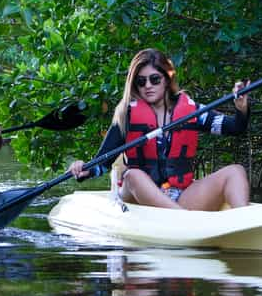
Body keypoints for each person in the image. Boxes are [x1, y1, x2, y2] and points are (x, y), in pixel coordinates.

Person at [67, 48, 250, 211]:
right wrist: (84, 169)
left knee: (235, 171)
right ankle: (183, 219)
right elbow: (102, 162)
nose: (148, 86)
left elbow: (236, 128)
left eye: (154, 79)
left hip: (179, 195)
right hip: (139, 198)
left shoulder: (191, 110)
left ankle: (244, 226)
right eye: (141, 81)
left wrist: (241, 109)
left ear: (167, 80)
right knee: (133, 175)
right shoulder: (126, 115)